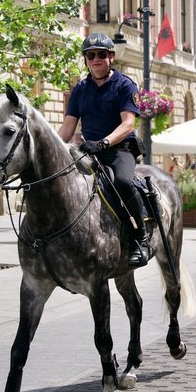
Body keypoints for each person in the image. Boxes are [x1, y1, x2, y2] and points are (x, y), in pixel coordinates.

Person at [58, 33, 148, 267]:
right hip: (89, 152)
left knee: (124, 183)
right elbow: (68, 127)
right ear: (86, 59)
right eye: (90, 55)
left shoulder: (124, 85)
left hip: (119, 150)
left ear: (111, 57)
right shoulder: (80, 89)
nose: (95, 59)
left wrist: (103, 143)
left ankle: (141, 238)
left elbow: (128, 123)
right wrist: (54, 149)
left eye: (100, 54)